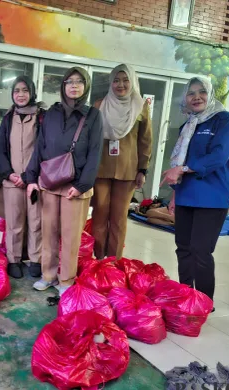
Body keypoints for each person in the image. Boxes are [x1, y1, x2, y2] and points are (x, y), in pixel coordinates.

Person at [25, 67, 103, 295]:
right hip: (50, 183)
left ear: (85, 86)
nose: (74, 85)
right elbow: (39, 146)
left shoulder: (93, 115)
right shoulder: (51, 113)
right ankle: (48, 275)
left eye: (80, 82)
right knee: (48, 231)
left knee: (70, 236)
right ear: (63, 86)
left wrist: (81, 186)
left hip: (75, 187)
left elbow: (95, 152)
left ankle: (66, 280)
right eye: (70, 81)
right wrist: (31, 178)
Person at [161, 76, 229, 304]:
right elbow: (180, 159)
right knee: (183, 248)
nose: (196, 97)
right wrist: (175, 194)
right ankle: (185, 295)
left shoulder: (224, 121)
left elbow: (218, 157)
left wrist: (182, 170)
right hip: (186, 194)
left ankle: (204, 302)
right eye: (191, 93)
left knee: (200, 251)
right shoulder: (188, 125)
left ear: (211, 94)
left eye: (202, 91)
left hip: (212, 197)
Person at [92, 64, 152, 260]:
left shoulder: (140, 106)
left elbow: (145, 141)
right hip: (100, 170)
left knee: (118, 219)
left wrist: (143, 169)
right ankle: (98, 260)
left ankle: (113, 263)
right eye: (116, 80)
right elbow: (91, 139)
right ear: (111, 82)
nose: (121, 85)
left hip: (128, 172)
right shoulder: (100, 105)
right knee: (99, 216)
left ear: (132, 81)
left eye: (125, 80)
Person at [0, 76, 45, 279]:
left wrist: (28, 175)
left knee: (36, 221)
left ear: (32, 92)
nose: (21, 94)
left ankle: (35, 260)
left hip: (34, 181)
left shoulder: (42, 117)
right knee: (14, 222)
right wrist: (9, 174)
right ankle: (14, 259)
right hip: (12, 181)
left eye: (25, 90)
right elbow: (1, 149)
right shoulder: (8, 118)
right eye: (17, 91)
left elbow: (44, 149)